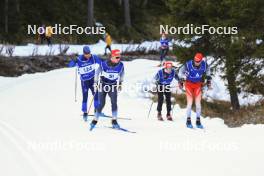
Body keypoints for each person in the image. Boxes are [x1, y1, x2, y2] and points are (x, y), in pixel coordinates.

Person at [90, 49, 124, 130]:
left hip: (113, 85)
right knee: (101, 103)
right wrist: (95, 82)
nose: (119, 59)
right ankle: (95, 120)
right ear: (112, 57)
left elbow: (122, 74)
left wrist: (120, 83)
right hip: (103, 85)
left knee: (114, 102)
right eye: (117, 57)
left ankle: (114, 120)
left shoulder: (121, 65)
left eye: (119, 57)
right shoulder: (103, 64)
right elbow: (97, 73)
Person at [178, 53, 212, 128]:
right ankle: (188, 121)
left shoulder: (204, 64)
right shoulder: (188, 64)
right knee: (190, 102)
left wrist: (209, 78)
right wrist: (181, 79)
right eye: (195, 61)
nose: (196, 62)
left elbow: (208, 70)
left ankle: (198, 121)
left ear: (201, 61)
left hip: (198, 85)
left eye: (198, 61)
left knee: (198, 103)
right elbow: (180, 71)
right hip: (189, 85)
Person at [68, 46, 102, 120]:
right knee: (85, 96)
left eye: (89, 53)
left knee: (96, 94)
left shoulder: (93, 57)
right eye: (86, 54)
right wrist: (73, 61)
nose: (88, 55)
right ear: (83, 53)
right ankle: (85, 112)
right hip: (84, 81)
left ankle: (96, 110)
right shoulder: (79, 59)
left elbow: (101, 63)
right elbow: (70, 65)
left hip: (92, 80)